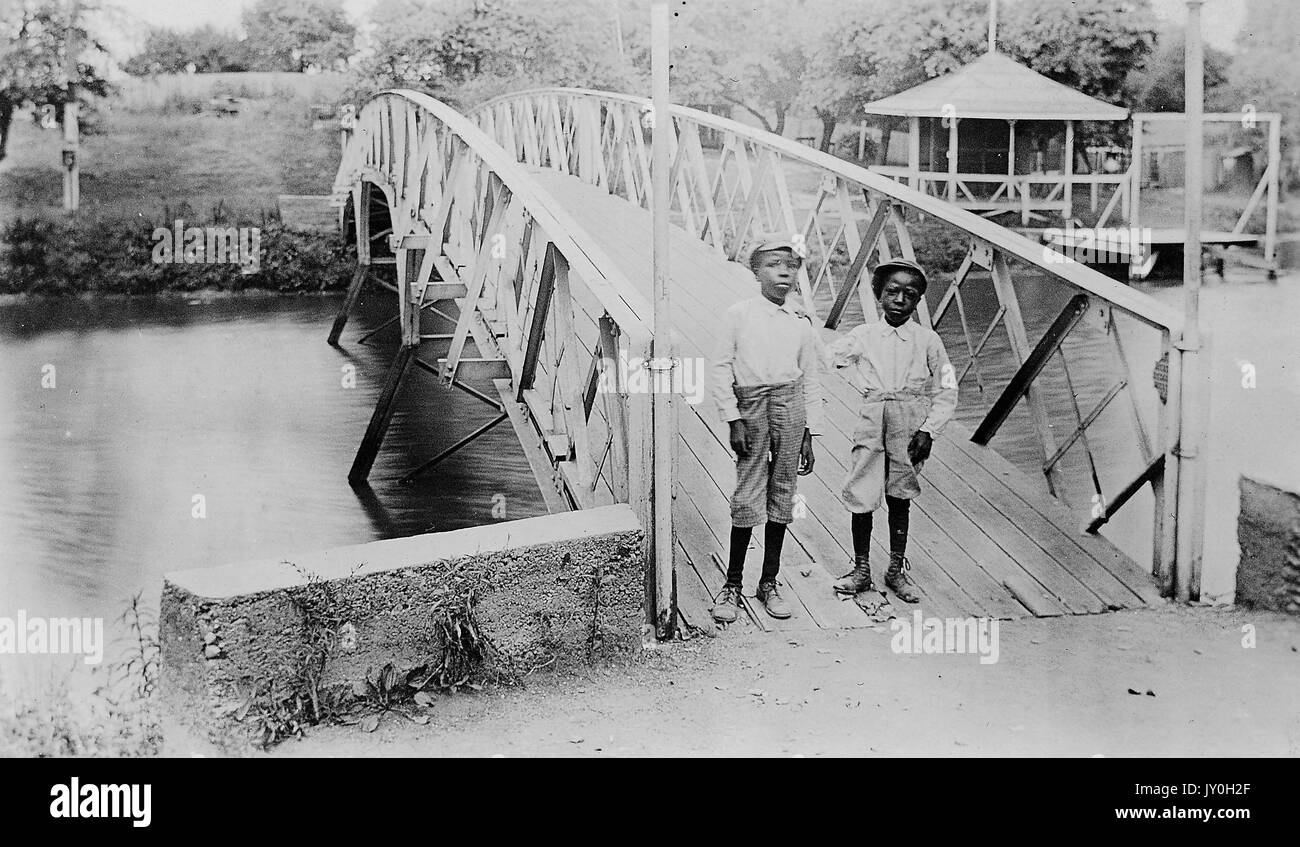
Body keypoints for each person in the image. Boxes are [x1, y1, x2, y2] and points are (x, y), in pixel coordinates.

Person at [823, 259, 957, 603]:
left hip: (910, 420)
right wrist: (806, 331)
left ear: (918, 300)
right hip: (872, 416)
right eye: (892, 292)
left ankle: (896, 569)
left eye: (909, 294)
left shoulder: (928, 340)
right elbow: (829, 357)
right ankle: (861, 569)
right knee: (862, 491)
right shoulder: (864, 335)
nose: (900, 299)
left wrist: (929, 430)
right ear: (879, 295)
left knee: (901, 492)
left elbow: (947, 389)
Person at [709, 236, 824, 623]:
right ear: (756, 271)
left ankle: (769, 581)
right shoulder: (738, 314)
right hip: (752, 406)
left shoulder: (801, 323)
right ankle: (732, 582)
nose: (784, 272)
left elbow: (810, 379)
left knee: (783, 493)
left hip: (790, 407)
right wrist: (732, 417)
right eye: (774, 265)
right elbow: (721, 367)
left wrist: (809, 432)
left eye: (791, 267)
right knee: (747, 495)